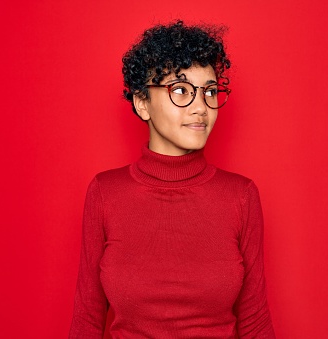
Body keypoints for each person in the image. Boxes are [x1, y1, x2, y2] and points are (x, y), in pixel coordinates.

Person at [69, 20, 275, 338]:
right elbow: (87, 319)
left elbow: (254, 320)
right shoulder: (105, 193)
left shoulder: (240, 196)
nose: (201, 108)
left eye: (209, 91)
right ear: (142, 103)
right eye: (180, 91)